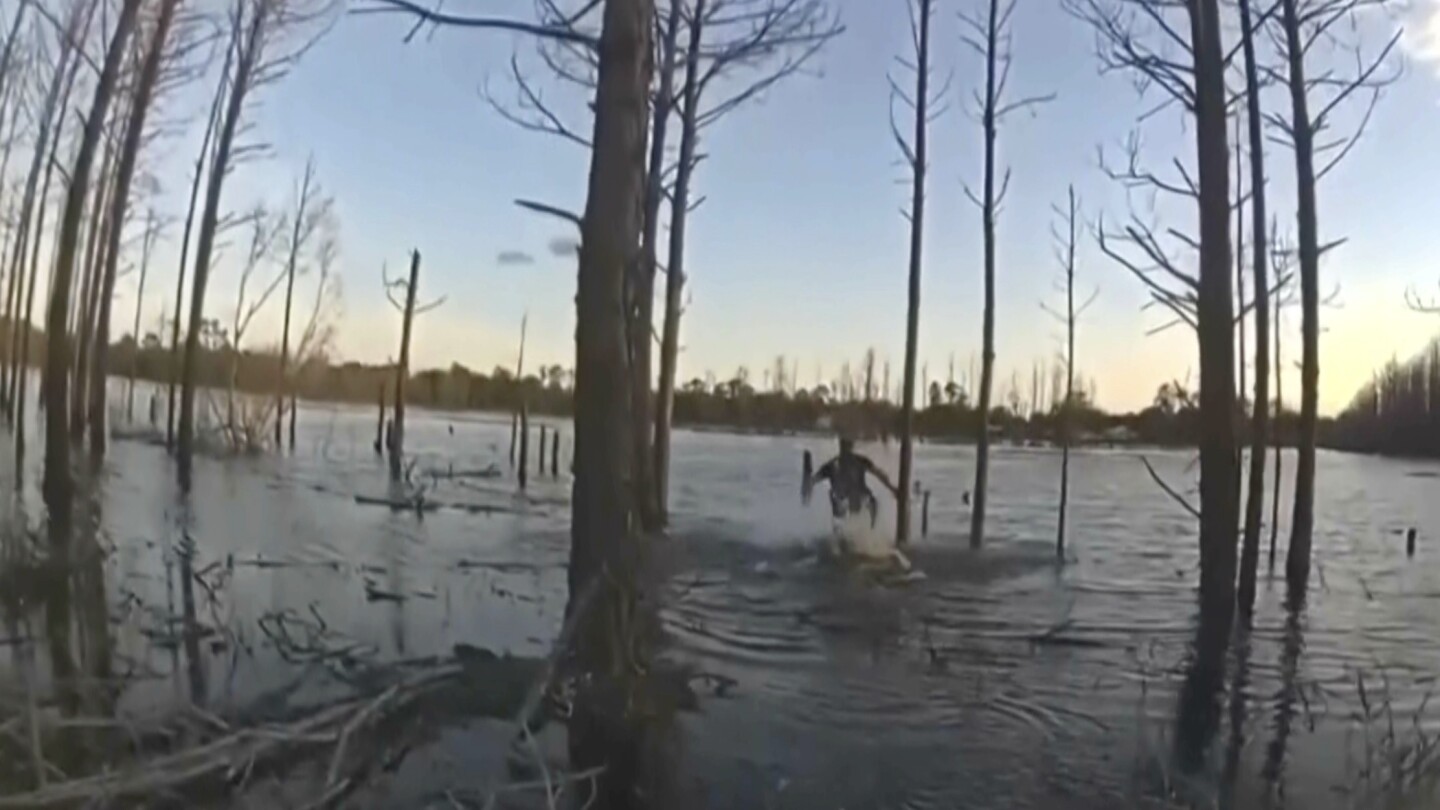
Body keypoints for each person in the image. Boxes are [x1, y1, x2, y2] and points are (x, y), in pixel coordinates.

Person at [809, 436, 898, 526]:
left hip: (852, 500)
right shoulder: (842, 463)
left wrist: (892, 488)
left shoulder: (840, 463)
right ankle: (867, 529)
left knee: (844, 501)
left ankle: (867, 529)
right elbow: (879, 474)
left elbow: (813, 480)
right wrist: (892, 488)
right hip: (850, 500)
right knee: (841, 501)